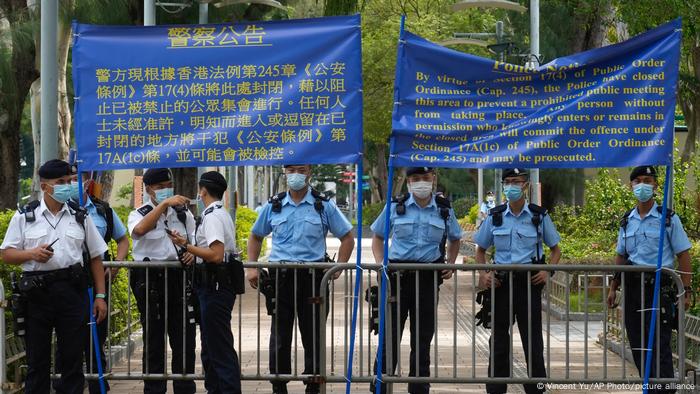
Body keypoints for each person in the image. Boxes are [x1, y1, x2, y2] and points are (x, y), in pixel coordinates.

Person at [0, 159, 108, 393]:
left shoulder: (80, 216)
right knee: (37, 362)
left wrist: (100, 295)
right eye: (61, 182)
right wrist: (32, 254)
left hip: (71, 291)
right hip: (37, 294)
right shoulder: (25, 217)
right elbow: (6, 254)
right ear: (45, 186)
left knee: (72, 359)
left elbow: (96, 258)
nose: (68, 186)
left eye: (70, 181)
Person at [246, 164, 355, 394]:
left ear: (310, 173)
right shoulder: (274, 206)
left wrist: (339, 267)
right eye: (292, 170)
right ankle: (279, 384)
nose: (296, 175)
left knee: (313, 334)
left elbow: (347, 237)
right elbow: (255, 236)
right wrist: (252, 268)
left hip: (312, 279)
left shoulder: (322, 205)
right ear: (285, 172)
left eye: (302, 170)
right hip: (281, 278)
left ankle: (313, 385)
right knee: (280, 336)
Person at [370, 167, 462, 394]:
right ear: (408, 182)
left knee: (422, 338)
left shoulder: (444, 210)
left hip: (427, 279)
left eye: (425, 178)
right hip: (396, 278)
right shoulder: (395, 207)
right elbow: (378, 237)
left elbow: (455, 238)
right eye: (416, 179)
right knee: (390, 335)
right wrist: (381, 263)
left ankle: (419, 388)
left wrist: (450, 263)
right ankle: (381, 385)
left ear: (433, 179)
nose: (421, 183)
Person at [474, 168, 561, 394]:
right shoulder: (495, 216)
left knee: (532, 341)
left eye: (516, 181)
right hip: (501, 284)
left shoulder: (537, 216)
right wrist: (484, 274)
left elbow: (555, 249)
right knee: (499, 339)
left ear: (525, 185)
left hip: (528, 283)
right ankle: (496, 388)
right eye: (508, 182)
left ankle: (536, 389)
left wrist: (547, 271)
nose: (511, 186)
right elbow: (480, 250)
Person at [607, 165, 693, 394]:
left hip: (658, 289)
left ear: (655, 185)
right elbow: (621, 255)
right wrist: (613, 287)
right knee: (638, 345)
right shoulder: (627, 221)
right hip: (633, 289)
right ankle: (650, 388)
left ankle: (663, 391)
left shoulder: (668, 218)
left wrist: (687, 290)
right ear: (631, 186)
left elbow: (683, 254)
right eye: (638, 181)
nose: (643, 185)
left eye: (648, 180)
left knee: (659, 345)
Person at [168, 171, 243, 394]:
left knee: (218, 347)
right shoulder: (222, 213)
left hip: (215, 286)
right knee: (211, 347)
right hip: (215, 285)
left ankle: (227, 390)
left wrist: (185, 245)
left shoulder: (212, 217)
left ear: (203, 191)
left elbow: (216, 254)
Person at [127, 168, 196, 394]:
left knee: (183, 339)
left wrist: (191, 252)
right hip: (150, 280)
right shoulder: (139, 213)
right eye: (160, 187)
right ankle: (154, 389)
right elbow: (138, 231)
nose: (166, 190)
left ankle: (184, 388)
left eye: (168, 185)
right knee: (154, 339)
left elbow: (195, 243)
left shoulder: (184, 214)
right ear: (148, 190)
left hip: (178, 278)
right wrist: (163, 206)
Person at [69, 171, 130, 393]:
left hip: (97, 282)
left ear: (89, 180)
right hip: (69, 282)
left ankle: (99, 386)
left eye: (81, 176)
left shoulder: (103, 210)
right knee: (69, 340)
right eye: (72, 176)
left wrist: (116, 264)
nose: (76, 181)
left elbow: (122, 239)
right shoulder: (60, 211)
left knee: (96, 339)